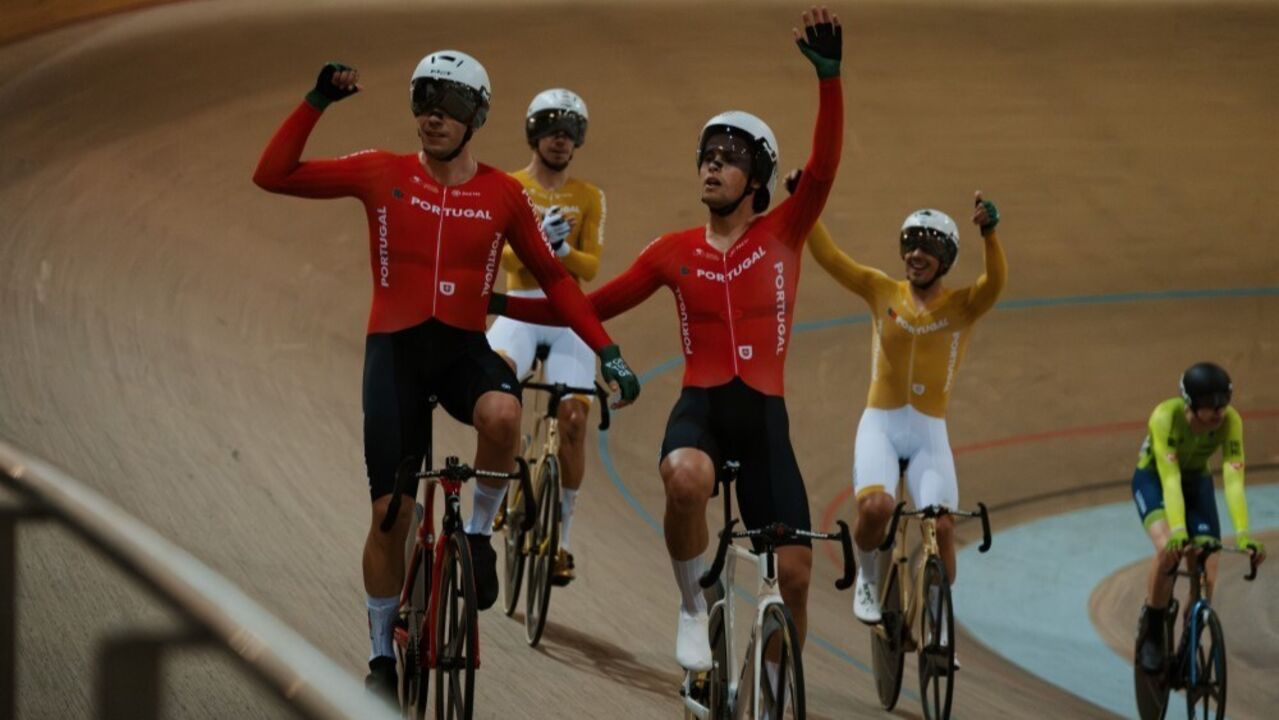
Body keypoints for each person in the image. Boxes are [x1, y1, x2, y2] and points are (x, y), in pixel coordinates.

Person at [252, 50, 640, 696]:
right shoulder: (382, 171)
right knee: (390, 516)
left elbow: (554, 279)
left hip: (462, 349)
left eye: (450, 104)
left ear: (477, 116)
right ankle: (380, 655)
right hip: (395, 356)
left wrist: (605, 350)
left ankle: (481, 535)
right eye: (423, 100)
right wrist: (314, 102)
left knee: (505, 414)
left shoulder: (502, 194)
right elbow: (272, 173)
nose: (433, 116)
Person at [490, 7, 843, 677]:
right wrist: (497, 303)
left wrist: (829, 82)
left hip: (764, 420)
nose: (712, 168)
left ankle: (770, 686)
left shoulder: (784, 234)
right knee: (684, 478)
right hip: (702, 410)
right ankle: (690, 604)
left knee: (794, 577)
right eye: (706, 158)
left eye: (729, 160)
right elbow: (585, 307)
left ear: (758, 180)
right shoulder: (670, 253)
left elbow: (823, 168)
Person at [795, 177, 1005, 648]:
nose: (915, 254)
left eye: (927, 247)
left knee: (944, 526)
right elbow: (831, 258)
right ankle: (870, 579)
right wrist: (805, 204)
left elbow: (996, 283)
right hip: (882, 425)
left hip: (929, 432)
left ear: (946, 259)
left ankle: (938, 618)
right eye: (910, 244)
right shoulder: (881, 290)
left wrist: (990, 235)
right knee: (875, 506)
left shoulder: (963, 306)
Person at [487, 88, 604, 584]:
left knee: (575, 419)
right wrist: (537, 241)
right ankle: (494, 493)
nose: (561, 140)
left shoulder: (589, 196)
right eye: (552, 130)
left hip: (564, 316)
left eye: (570, 132)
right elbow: (504, 260)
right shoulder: (509, 187)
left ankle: (564, 537)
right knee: (496, 394)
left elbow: (591, 267)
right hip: (518, 308)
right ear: (534, 134)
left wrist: (561, 252)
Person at [1132, 362, 1266, 673]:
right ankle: (1152, 631)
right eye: (1210, 405)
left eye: (1223, 403)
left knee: (1209, 556)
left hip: (1196, 482)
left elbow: (1233, 480)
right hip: (1153, 480)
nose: (1219, 412)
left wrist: (1244, 533)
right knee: (1169, 550)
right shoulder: (1165, 417)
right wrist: (1178, 529)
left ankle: (1190, 635)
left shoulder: (1231, 421)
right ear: (1190, 403)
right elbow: (1170, 480)